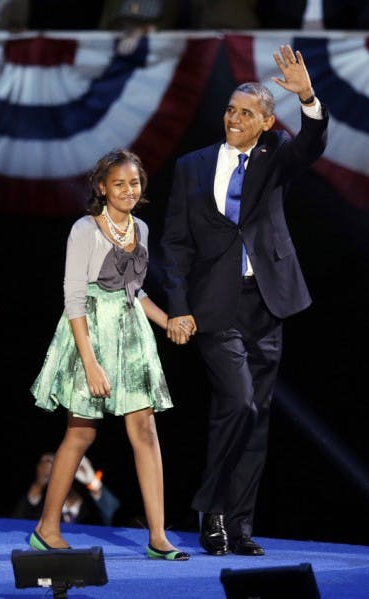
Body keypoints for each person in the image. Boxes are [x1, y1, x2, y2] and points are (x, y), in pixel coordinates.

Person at [160, 45, 328, 556]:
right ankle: (211, 511)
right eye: (230, 110)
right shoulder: (192, 166)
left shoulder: (276, 155)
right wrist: (178, 305)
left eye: (246, 113)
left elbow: (311, 146)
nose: (234, 118)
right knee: (239, 402)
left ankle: (238, 527)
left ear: (266, 122)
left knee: (256, 415)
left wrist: (308, 99)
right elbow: (173, 244)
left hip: (267, 301)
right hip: (214, 306)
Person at [29, 149, 188, 561]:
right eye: (119, 183)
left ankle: (157, 536)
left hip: (132, 339)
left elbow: (136, 293)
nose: (128, 190)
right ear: (102, 187)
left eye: (134, 183)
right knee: (81, 433)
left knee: (145, 432)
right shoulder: (85, 229)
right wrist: (91, 362)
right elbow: (74, 298)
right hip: (89, 336)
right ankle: (47, 527)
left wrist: (167, 320)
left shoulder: (142, 229)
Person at [12, 453, 121, 526]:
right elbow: (17, 522)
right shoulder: (44, 508)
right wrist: (39, 483)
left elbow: (115, 516)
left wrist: (93, 483)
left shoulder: (92, 511)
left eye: (76, 469)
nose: (70, 475)